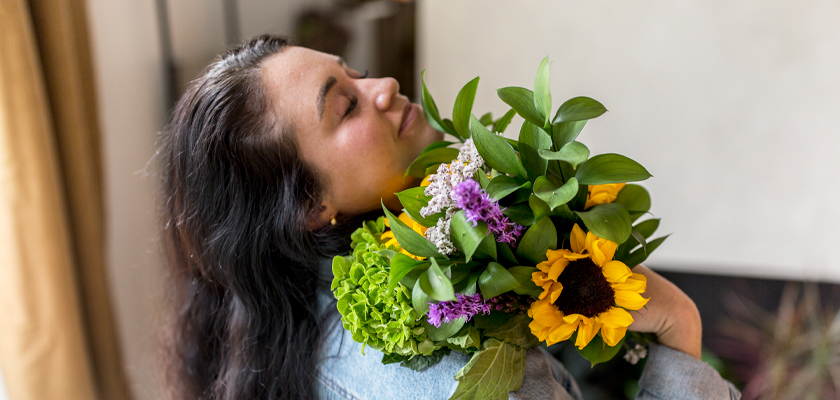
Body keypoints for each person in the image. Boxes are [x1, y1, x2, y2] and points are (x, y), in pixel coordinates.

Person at [157, 35, 741, 400]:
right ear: (310, 206)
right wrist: (679, 329)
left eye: (355, 73)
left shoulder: (295, 320)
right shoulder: (452, 376)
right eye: (346, 105)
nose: (383, 85)